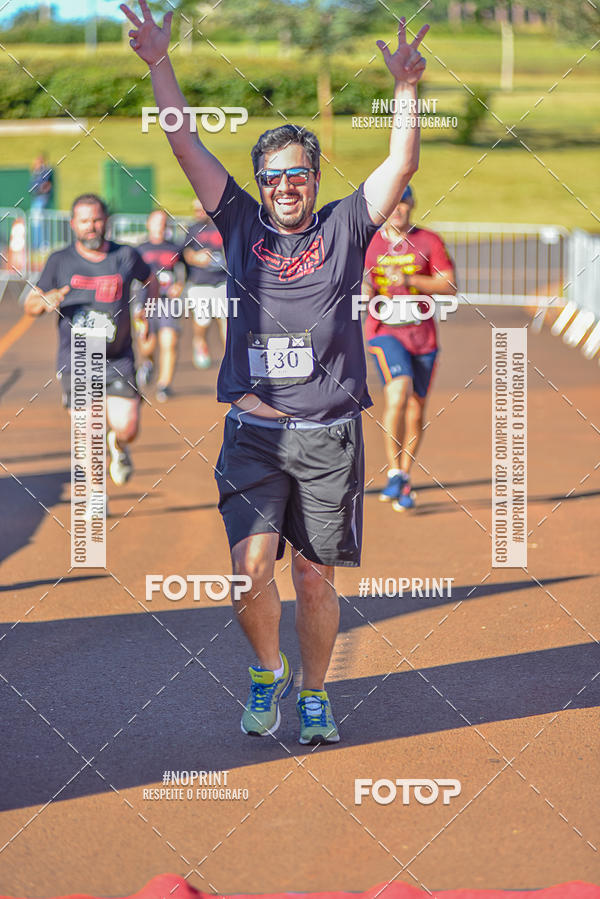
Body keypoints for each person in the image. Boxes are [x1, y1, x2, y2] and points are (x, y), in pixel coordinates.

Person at [122, 0, 428, 744]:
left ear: (314, 175)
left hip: (328, 435)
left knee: (314, 578)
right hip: (255, 433)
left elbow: (402, 164)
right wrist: (159, 63)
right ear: (258, 181)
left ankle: (315, 692)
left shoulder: (346, 225)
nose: (284, 185)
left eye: (296, 173)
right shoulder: (235, 221)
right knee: (248, 572)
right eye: (271, 175)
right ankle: (268, 671)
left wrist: (408, 90)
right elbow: (186, 144)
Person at [23, 193, 159, 488]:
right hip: (77, 359)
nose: (91, 227)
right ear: (73, 224)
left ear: (106, 221)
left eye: (97, 219)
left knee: (127, 427)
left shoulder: (125, 255)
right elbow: (31, 305)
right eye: (84, 221)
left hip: (118, 357)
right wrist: (45, 301)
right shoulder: (59, 261)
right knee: (87, 432)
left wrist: (146, 314)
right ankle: (96, 495)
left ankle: (119, 445)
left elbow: (151, 281)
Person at [363, 186, 455, 510]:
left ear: (412, 206)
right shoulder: (370, 242)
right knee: (398, 390)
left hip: (423, 337)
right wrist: (366, 289)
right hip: (384, 332)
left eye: (404, 204)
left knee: (416, 409)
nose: (398, 210)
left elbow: (449, 284)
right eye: (393, 205)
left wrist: (410, 280)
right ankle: (392, 472)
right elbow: (360, 282)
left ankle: (404, 474)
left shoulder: (428, 241)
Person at [136, 209, 185, 402]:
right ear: (148, 224)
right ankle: (148, 363)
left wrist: (180, 285)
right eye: (156, 222)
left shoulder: (175, 248)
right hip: (144, 302)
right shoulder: (139, 249)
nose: (160, 226)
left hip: (167, 303)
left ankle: (164, 384)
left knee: (169, 342)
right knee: (147, 346)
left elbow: (185, 272)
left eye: (163, 222)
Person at [182, 198, 228, 370]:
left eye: (201, 210)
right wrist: (195, 258)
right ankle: (199, 341)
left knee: (226, 319)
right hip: (200, 282)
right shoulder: (193, 229)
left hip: (222, 280)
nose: (198, 214)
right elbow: (184, 253)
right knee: (203, 321)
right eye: (195, 211)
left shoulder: (223, 225)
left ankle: (229, 356)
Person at [29, 154, 54, 251]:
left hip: (42, 199)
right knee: (36, 222)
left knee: (40, 222)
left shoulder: (45, 171)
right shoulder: (36, 172)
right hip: (36, 198)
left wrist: (42, 189)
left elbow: (45, 184)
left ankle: (43, 244)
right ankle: (36, 244)